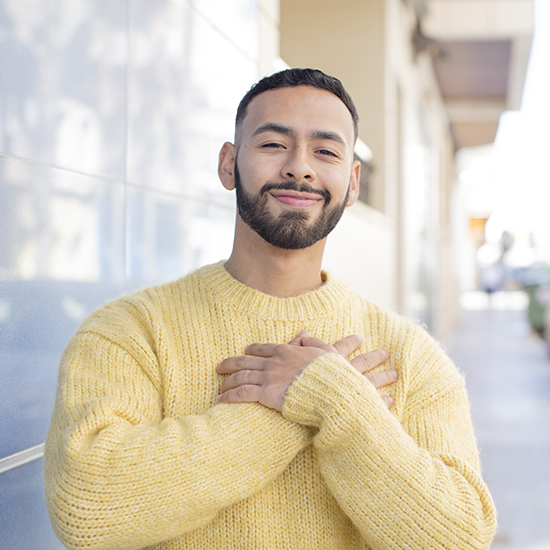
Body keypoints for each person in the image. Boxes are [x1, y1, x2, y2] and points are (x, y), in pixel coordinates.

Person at [45, 68, 496, 550]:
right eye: (274, 144)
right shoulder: (130, 332)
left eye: (325, 151)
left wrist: (333, 400)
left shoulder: (409, 355)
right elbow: (86, 506)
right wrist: (314, 403)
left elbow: (459, 538)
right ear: (228, 164)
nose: (300, 167)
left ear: (352, 182)